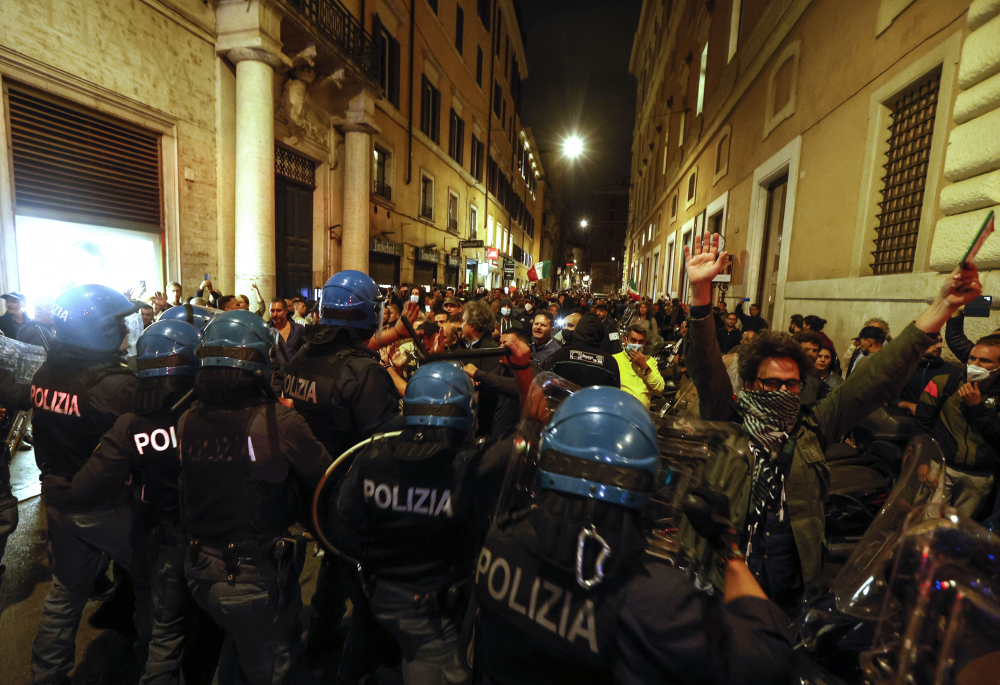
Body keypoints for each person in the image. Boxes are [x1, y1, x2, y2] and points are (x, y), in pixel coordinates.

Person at [682, 232, 980, 608]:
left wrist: (942, 306)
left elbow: (875, 380)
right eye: (772, 382)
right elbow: (705, 365)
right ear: (752, 383)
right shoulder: (728, 419)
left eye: (791, 384)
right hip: (717, 580)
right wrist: (700, 296)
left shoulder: (812, 427)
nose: (783, 391)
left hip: (788, 585)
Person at [475, 386, 794, 685]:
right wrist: (729, 549)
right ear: (645, 481)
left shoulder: (503, 539)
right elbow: (768, 658)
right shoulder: (655, 599)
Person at [178, 310, 332, 684]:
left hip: (198, 568)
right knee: (273, 665)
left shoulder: (187, 418)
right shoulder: (279, 422)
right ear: (261, 363)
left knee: (239, 647)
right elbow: (325, 475)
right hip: (249, 574)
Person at [52, 320, 204, 683]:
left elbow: (88, 484)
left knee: (156, 619)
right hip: (205, 533)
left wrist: (63, 494)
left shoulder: (129, 423)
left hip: (152, 532)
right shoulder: (208, 414)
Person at [280, 270, 403, 656]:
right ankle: (364, 660)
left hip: (308, 490)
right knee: (364, 583)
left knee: (334, 563)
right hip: (350, 497)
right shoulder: (363, 372)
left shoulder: (302, 355)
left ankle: (320, 633)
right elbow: (383, 446)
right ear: (369, 314)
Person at [25, 285, 140, 685]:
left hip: (58, 496)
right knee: (160, 580)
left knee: (65, 595)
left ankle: (47, 675)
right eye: (118, 324)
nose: (126, 331)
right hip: (106, 504)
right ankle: (156, 665)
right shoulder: (112, 385)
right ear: (97, 331)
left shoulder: (49, 369)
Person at [915, 336, 1000, 518]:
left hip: (979, 476)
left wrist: (978, 408)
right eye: (972, 358)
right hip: (942, 468)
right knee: (926, 524)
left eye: (985, 361)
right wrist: (923, 461)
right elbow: (922, 424)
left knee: (959, 531)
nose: (975, 364)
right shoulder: (944, 383)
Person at [464, 328, 542, 440]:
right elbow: (492, 381)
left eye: (506, 344)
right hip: (497, 438)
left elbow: (515, 386)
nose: (500, 348)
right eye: (500, 343)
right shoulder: (503, 368)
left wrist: (478, 374)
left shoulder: (532, 369)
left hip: (518, 441)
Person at [545, 314, 621, 388]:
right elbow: (614, 394)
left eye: (570, 325)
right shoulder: (609, 362)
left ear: (578, 330)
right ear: (601, 332)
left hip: (565, 400)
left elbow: (546, 383)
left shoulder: (561, 355)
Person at [897, 332, 960, 415]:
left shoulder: (951, 371)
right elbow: (889, 397)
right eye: (933, 342)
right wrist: (907, 405)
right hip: (905, 421)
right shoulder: (903, 367)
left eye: (940, 341)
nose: (939, 346)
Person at [614, 324, 665, 409]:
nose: (637, 345)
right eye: (633, 340)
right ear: (625, 340)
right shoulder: (615, 360)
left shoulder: (649, 361)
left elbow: (660, 388)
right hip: (622, 413)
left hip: (642, 415)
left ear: (645, 343)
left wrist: (643, 365)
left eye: (640, 341)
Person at [793, 330, 824, 404]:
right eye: (806, 349)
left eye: (815, 350)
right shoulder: (787, 370)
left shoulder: (815, 373)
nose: (811, 353)